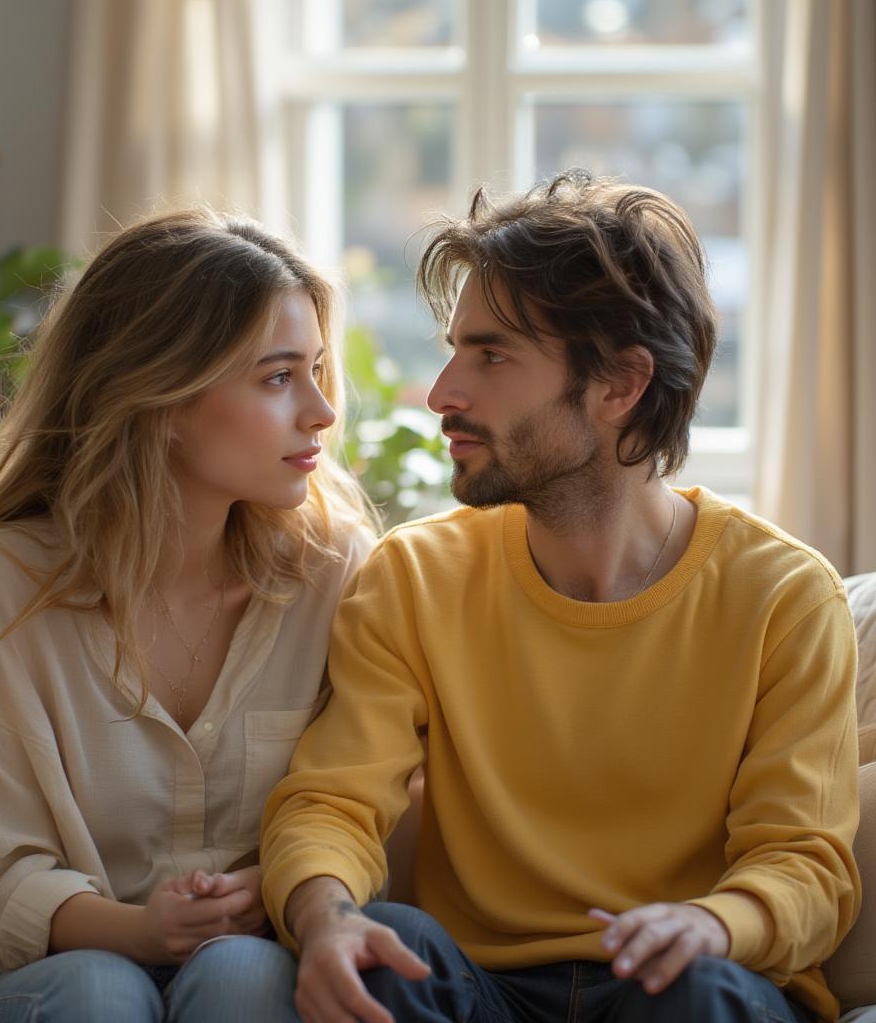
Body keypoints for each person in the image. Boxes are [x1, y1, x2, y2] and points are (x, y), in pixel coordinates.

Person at [260, 170, 861, 1023]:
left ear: (620, 386)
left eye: (492, 354)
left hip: (683, 989)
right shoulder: (416, 576)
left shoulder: (784, 597)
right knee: (384, 948)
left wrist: (709, 925)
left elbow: (806, 866)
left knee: (695, 995)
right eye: (453, 348)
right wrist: (326, 920)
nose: (442, 395)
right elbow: (333, 800)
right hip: (485, 990)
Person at [0, 207, 375, 1022]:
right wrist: (141, 931)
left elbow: (365, 802)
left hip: (254, 954)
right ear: (163, 398)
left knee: (242, 975)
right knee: (100, 990)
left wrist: (276, 884)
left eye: (319, 370)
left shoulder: (335, 571)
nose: (323, 412)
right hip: (38, 966)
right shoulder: (4, 580)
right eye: (279, 377)